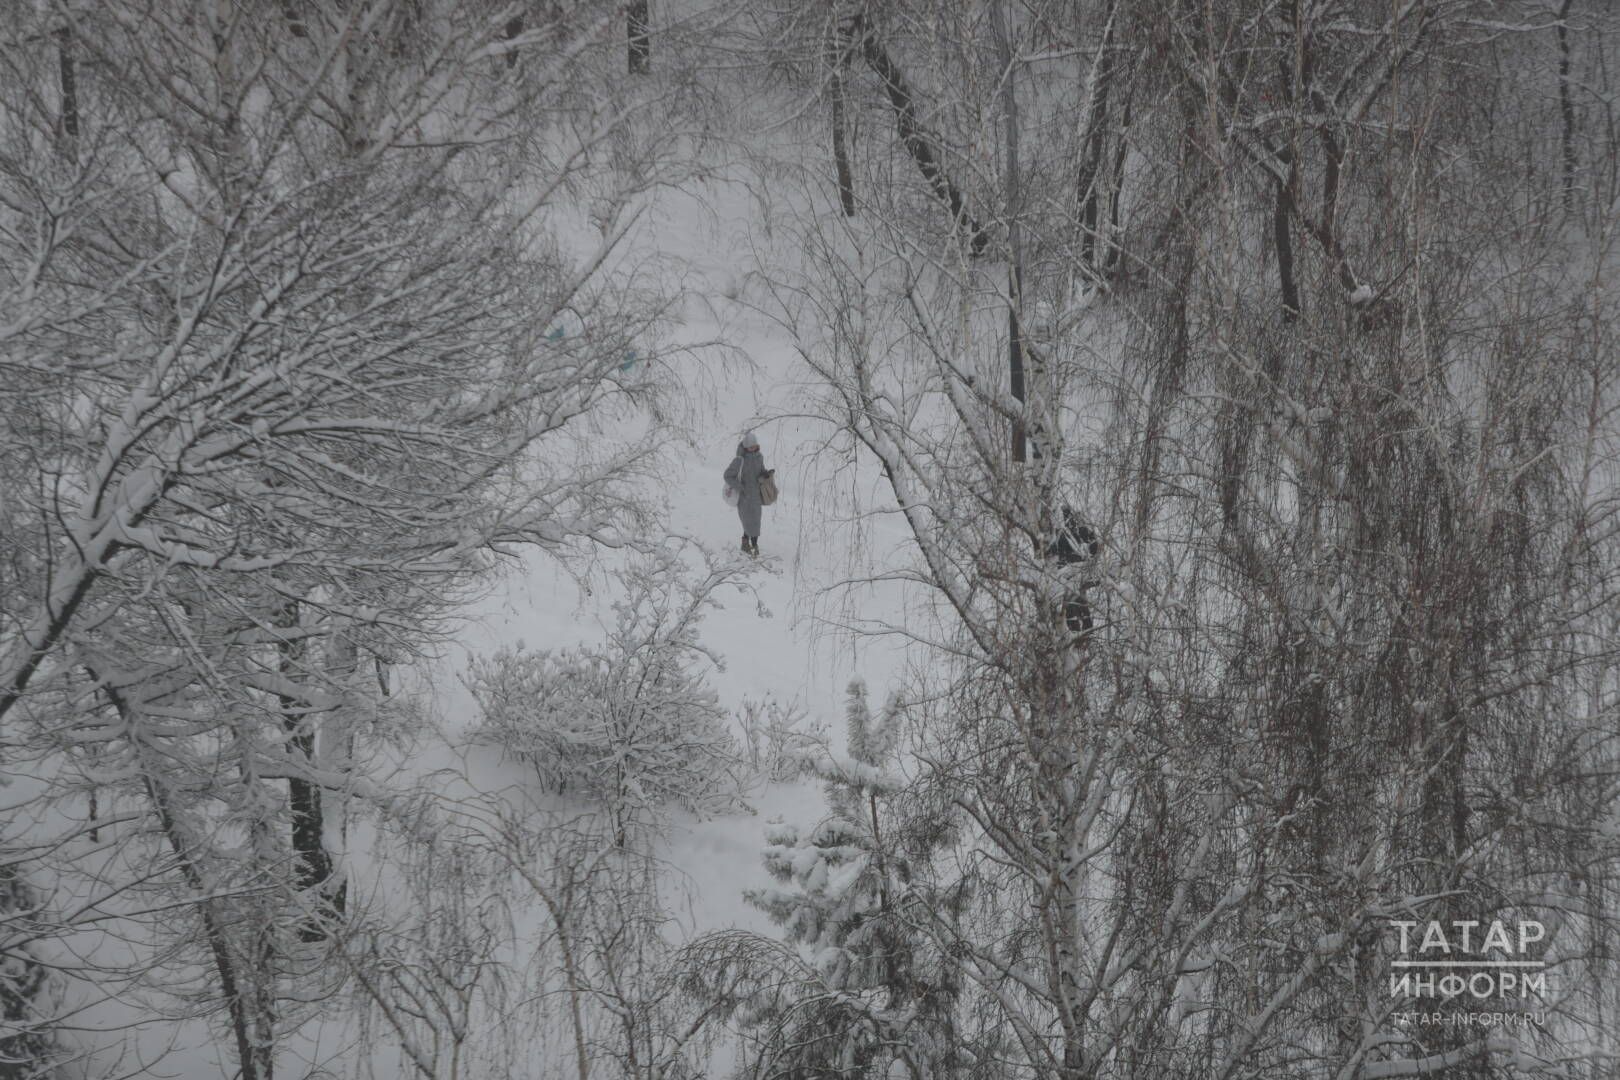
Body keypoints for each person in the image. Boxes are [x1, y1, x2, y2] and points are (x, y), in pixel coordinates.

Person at [1046, 506, 1099, 632]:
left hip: (1071, 572)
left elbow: (1051, 550)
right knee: (1076, 601)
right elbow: (1095, 546)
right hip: (1073, 572)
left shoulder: (1069, 532)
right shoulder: (1073, 531)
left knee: (1074, 601)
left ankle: (1080, 628)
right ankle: (1082, 627)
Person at [723, 431, 772, 556]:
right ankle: (749, 545)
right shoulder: (739, 460)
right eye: (750, 447)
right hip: (744, 498)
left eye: (754, 446)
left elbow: (761, 470)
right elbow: (727, 476)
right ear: (745, 447)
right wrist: (740, 487)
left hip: (756, 497)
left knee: (755, 522)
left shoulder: (759, 457)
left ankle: (751, 544)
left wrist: (765, 474)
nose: (753, 448)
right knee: (748, 522)